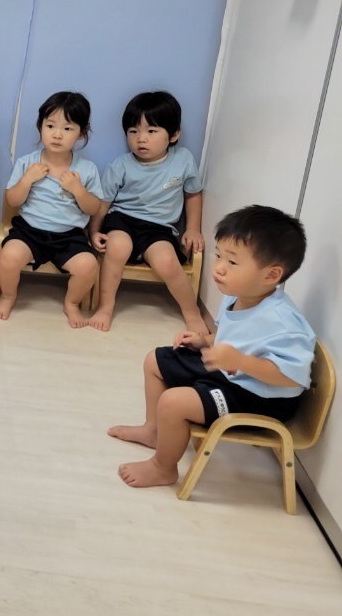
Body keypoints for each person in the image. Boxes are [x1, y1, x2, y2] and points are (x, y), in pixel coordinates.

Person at [110, 205, 314, 490]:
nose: (218, 267)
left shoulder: (283, 322)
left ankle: (162, 468)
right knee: (155, 360)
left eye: (232, 262)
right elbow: (231, 336)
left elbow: (292, 377)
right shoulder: (238, 295)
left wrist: (239, 361)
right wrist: (205, 341)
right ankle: (153, 431)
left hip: (260, 400)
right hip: (231, 375)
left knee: (173, 402)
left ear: (271, 275)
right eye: (219, 255)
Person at [88, 91, 205, 333]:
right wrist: (93, 232)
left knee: (167, 262)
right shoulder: (120, 165)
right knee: (117, 247)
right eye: (133, 131)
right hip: (122, 220)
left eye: (151, 131)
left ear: (173, 135)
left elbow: (193, 194)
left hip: (159, 227)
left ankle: (192, 313)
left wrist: (193, 228)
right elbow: (103, 203)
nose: (141, 139)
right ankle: (105, 307)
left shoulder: (183, 159)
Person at [0, 91, 103, 327]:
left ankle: (71, 303)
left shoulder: (87, 169)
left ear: (81, 133)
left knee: (88, 265)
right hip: (30, 231)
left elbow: (94, 207)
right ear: (40, 126)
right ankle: (8, 296)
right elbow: (12, 200)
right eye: (50, 125)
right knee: (10, 256)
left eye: (67, 128)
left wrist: (78, 190)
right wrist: (27, 180)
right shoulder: (27, 163)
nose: (57, 134)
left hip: (69, 236)